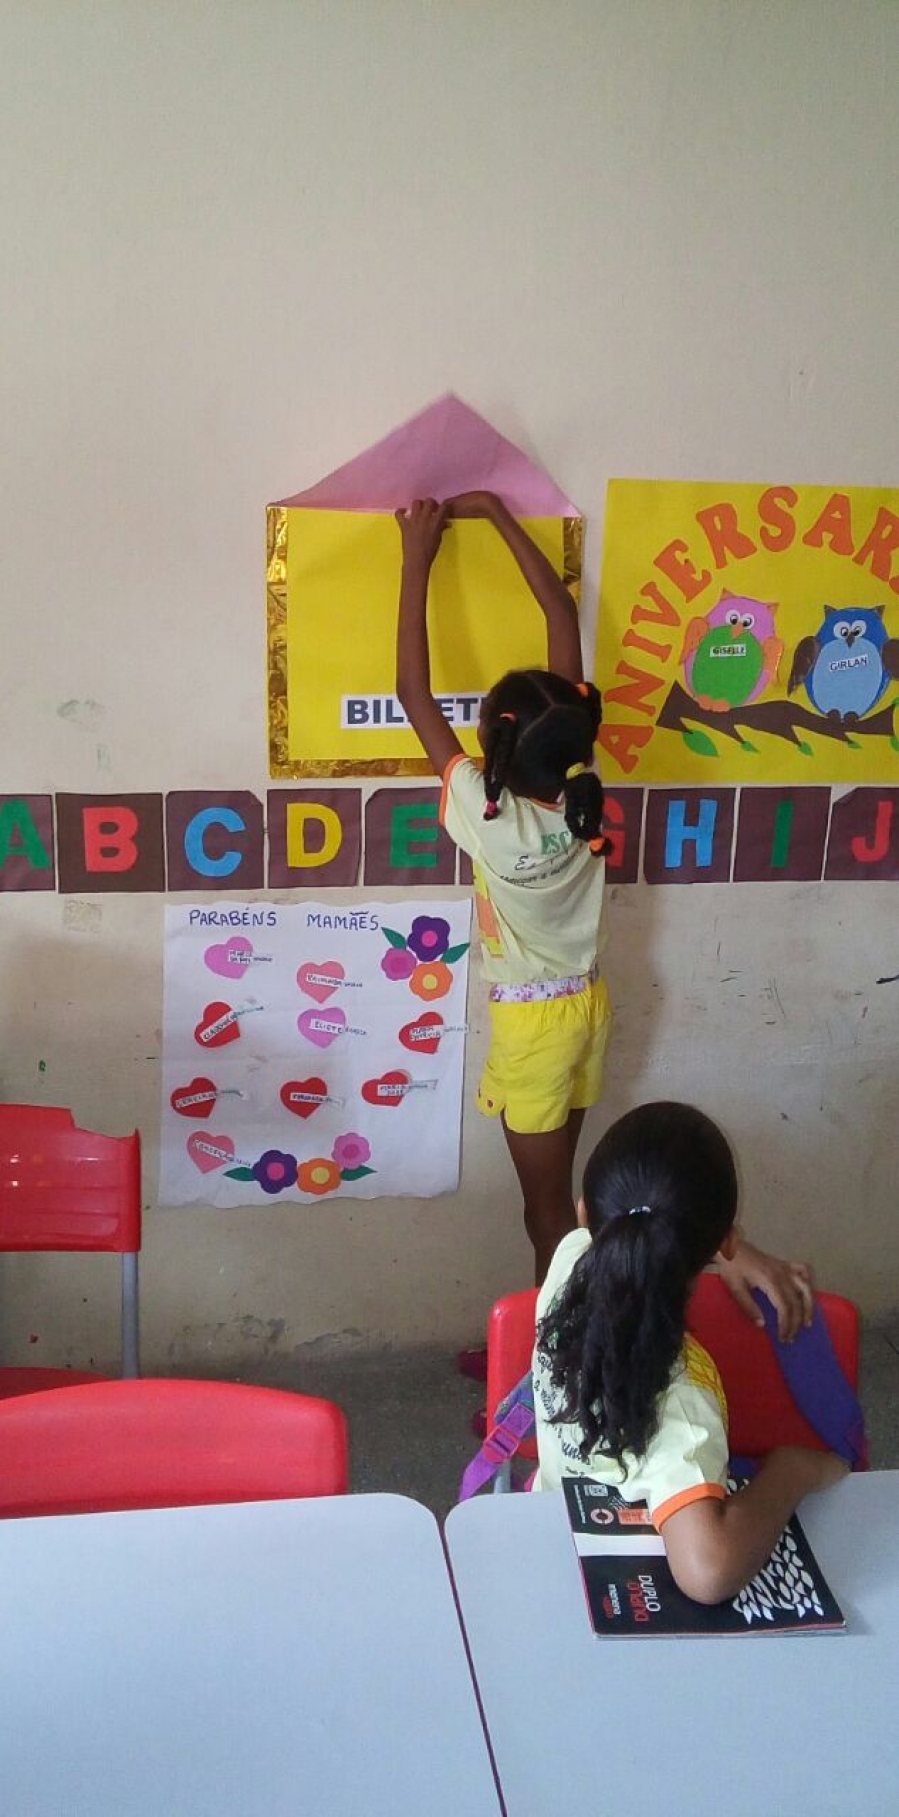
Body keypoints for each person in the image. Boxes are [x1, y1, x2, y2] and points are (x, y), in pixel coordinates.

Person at [395, 489, 611, 1285]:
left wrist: (416, 557)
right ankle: (568, 1332)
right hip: (587, 1007)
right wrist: (496, 512)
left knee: (547, 1213)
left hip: (533, 1029)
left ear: (496, 746)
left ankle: (556, 1346)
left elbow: (411, 693)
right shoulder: (580, 782)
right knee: (560, 1201)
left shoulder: (491, 820)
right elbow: (561, 613)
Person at [533, 1101, 848, 1604]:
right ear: (724, 1240)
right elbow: (708, 1575)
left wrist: (725, 1249)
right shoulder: (679, 1404)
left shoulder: (568, 1263)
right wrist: (793, 1471)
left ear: (584, 1212)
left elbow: (638, 1232)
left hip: (545, 1534)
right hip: (636, 1581)